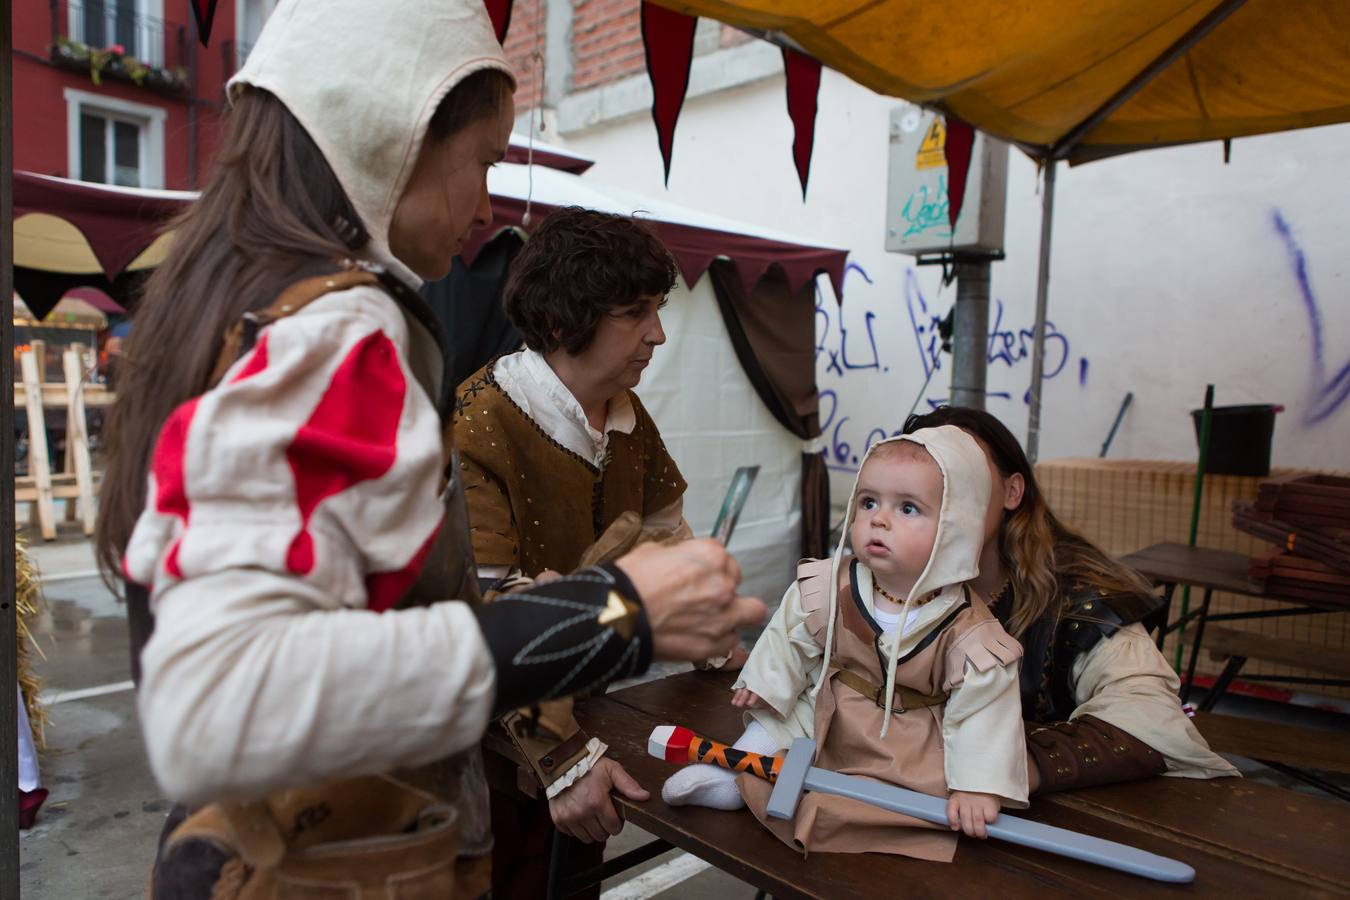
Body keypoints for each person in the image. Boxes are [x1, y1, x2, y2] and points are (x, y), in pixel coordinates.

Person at [93, 1, 763, 895]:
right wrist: (616, 612)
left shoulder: (242, 299)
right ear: (395, 126)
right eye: (484, 158)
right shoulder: (337, 331)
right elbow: (214, 702)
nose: (486, 203)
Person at [453, 206, 743, 897]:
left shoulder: (625, 415)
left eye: (658, 309)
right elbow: (487, 618)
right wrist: (561, 759)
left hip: (586, 706)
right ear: (564, 320)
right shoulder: (479, 424)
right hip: (483, 747)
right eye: (635, 312)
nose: (658, 333)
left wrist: (718, 638)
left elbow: (667, 537)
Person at [664, 427, 1028, 861]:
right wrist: (767, 679)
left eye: (908, 508)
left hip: (906, 737)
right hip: (830, 705)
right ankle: (734, 773)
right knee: (776, 720)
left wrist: (976, 785)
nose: (879, 519)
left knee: (900, 799)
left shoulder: (969, 632)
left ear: (955, 527)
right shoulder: (830, 582)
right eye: (868, 501)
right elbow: (792, 633)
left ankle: (839, 807)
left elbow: (982, 712)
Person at [901, 406, 1238, 792]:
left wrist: (1010, 767)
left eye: (962, 473)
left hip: (1037, 822)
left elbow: (1149, 718)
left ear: (1012, 492)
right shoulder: (868, 585)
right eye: (921, 479)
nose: (938, 493)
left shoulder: (1078, 597)